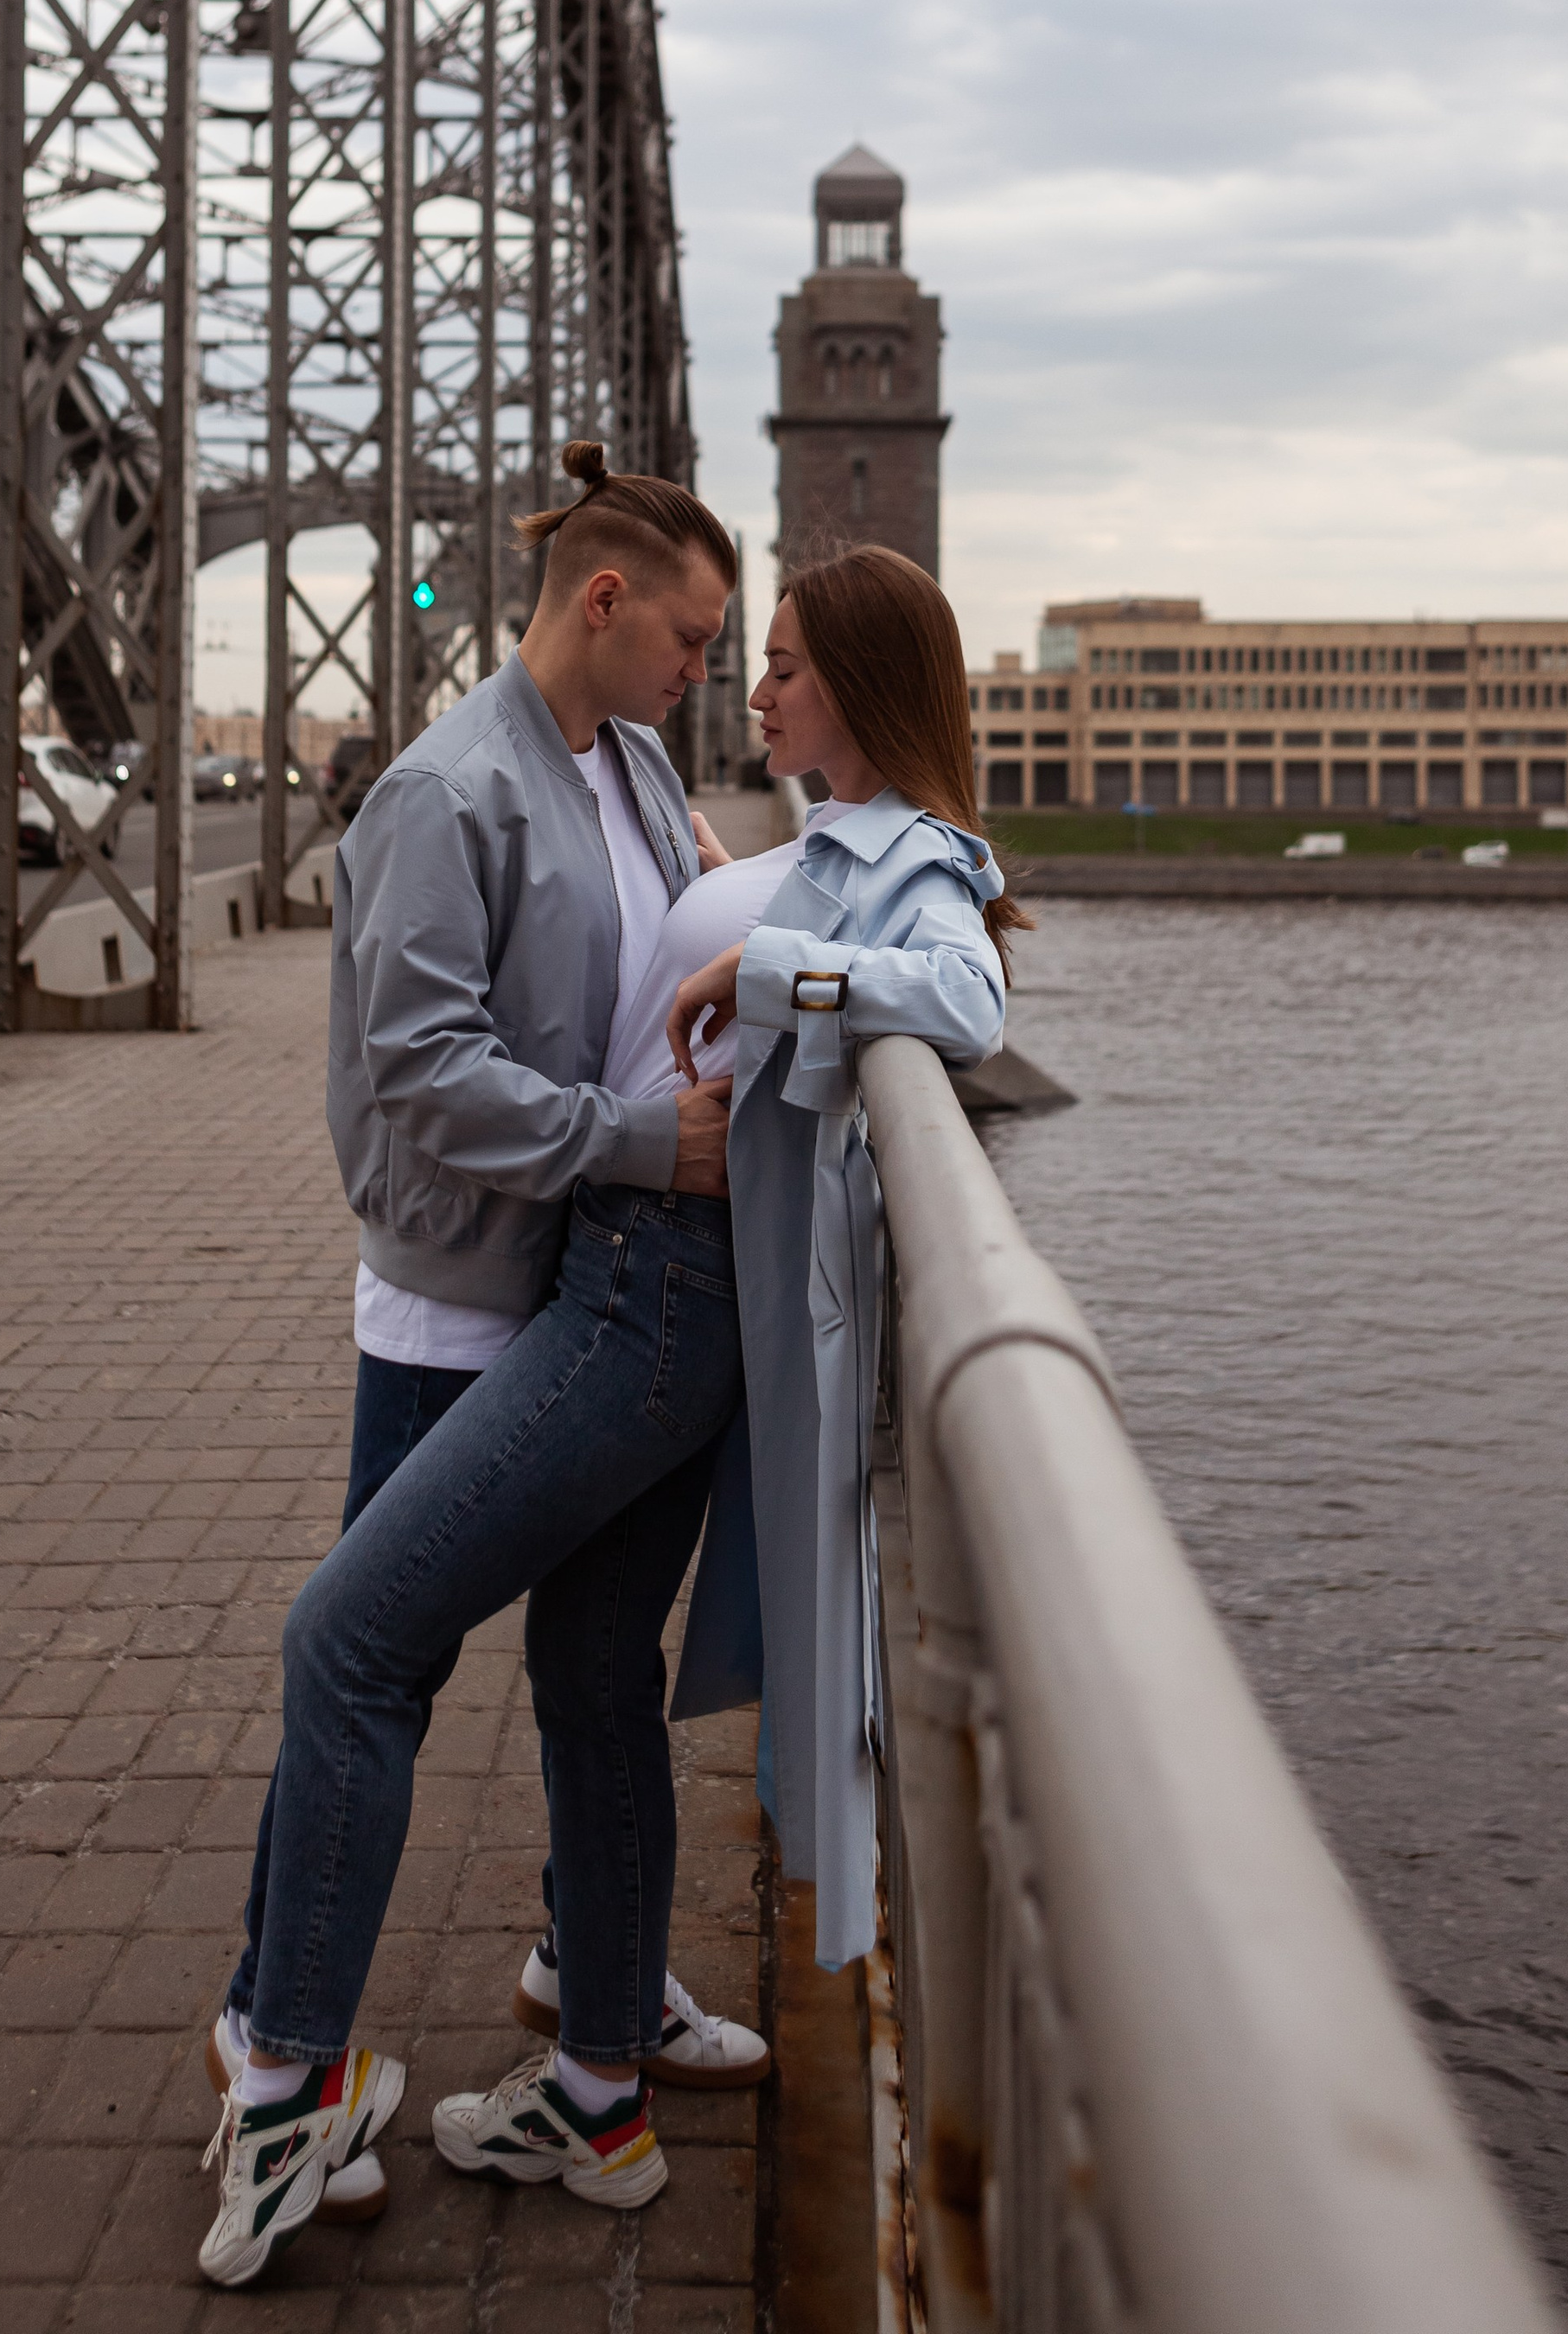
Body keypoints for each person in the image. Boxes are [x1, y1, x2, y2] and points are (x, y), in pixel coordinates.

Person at [198, 445, 763, 2286]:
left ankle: (595, 1988)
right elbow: (426, 1073)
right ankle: (265, 2033)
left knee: (559, 1670)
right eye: (690, 637)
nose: (705, 670)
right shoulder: (445, 794)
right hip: (463, 1302)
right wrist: (644, 1143)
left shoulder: (635, 762)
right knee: (377, 1655)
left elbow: (667, 947)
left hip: (579, 1287)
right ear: (603, 601)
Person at [664, 546, 1026, 1967]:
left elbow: (968, 999)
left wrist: (760, 966)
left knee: (774, 1609)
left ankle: (824, 1916)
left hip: (768, 1287)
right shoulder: (847, 839)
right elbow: (826, 911)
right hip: (735, 1279)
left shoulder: (919, 856)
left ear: (863, 686)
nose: (755, 694)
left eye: (785, 668)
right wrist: (732, 894)